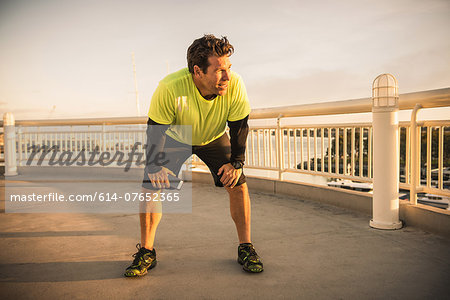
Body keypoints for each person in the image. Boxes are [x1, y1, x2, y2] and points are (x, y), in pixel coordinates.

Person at [124, 34, 263, 277]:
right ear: (198, 71)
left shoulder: (235, 84)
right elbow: (156, 130)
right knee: (150, 185)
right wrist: (155, 167)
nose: (227, 77)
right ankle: (147, 251)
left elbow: (239, 126)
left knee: (238, 184)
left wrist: (237, 163)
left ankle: (246, 247)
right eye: (219, 71)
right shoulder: (169, 87)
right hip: (176, 138)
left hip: (213, 137)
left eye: (229, 68)